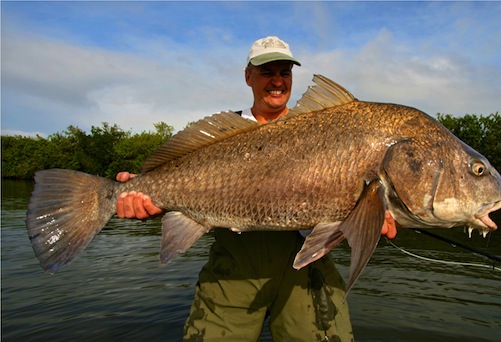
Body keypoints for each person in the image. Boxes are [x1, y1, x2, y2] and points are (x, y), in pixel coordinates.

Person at [116, 36, 397, 341]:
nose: (277, 81)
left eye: (284, 72)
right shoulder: (223, 134)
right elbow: (172, 183)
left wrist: (372, 215)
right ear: (248, 76)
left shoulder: (325, 125)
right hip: (234, 270)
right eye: (267, 72)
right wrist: (146, 195)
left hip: (306, 270)